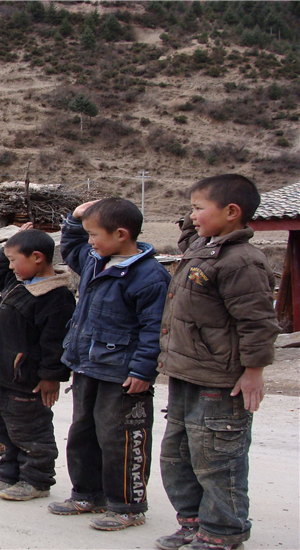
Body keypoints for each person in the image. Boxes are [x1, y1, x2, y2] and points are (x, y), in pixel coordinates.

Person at [154, 174, 280, 550]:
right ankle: (192, 522)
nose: (191, 216)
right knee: (178, 456)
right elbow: (188, 234)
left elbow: (258, 323)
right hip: (185, 373)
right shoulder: (202, 247)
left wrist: (254, 371)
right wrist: (191, 219)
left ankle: (223, 531)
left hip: (220, 380)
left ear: (231, 212)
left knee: (217, 459)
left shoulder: (242, 261)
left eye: (198, 208)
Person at [48, 198, 171, 531]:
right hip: (87, 364)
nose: (89, 242)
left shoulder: (149, 276)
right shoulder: (95, 260)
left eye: (94, 235)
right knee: (83, 432)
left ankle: (127, 506)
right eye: (87, 235)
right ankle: (87, 493)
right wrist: (74, 220)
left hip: (122, 373)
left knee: (121, 439)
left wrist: (143, 371)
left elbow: (154, 329)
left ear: (121, 234)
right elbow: (73, 246)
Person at [0, 225, 76, 502]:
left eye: (15, 259)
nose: (11, 266)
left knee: (29, 430)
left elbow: (55, 343)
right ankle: (9, 474)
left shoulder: (56, 296)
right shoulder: (16, 283)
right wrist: (11, 242)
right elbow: (3, 271)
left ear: (37, 257)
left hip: (25, 380)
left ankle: (36, 480)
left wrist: (52, 376)